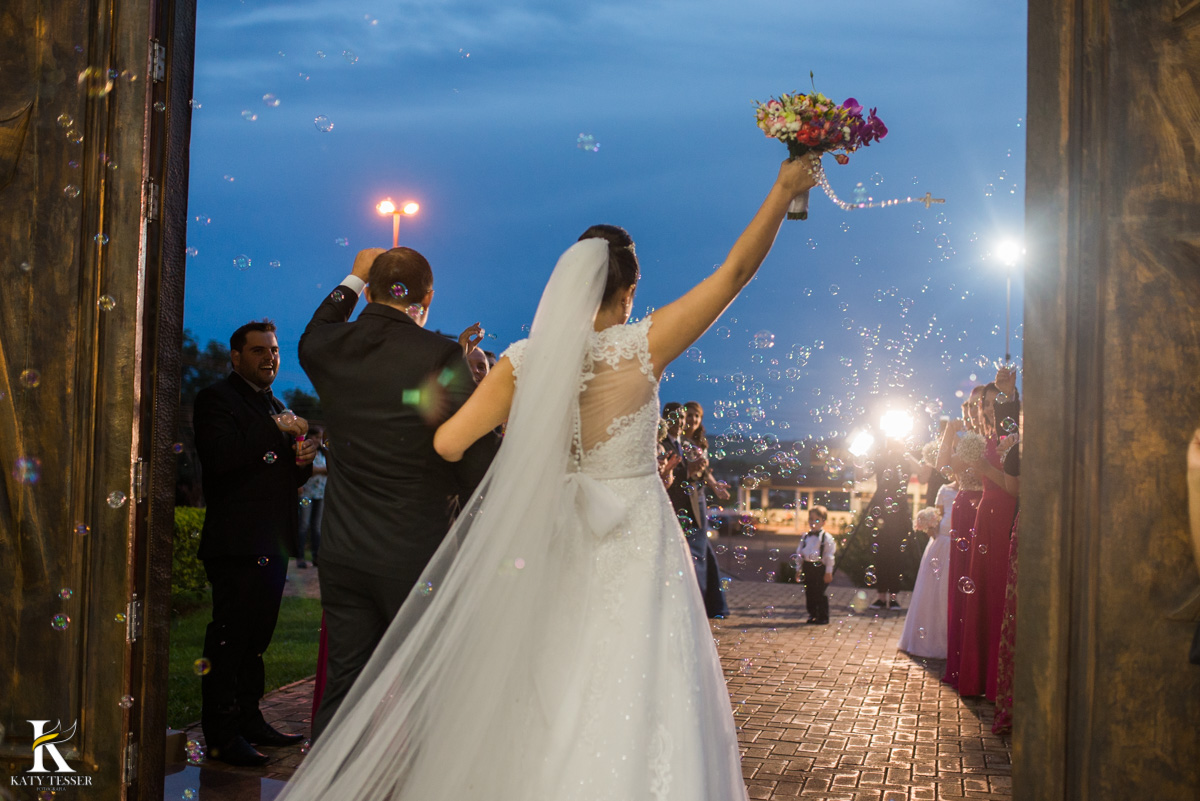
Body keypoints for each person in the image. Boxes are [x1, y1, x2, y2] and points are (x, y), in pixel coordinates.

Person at [275, 155, 819, 800]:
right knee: (633, 685)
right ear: (629, 293)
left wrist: (532, 441)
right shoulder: (644, 347)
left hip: (550, 535)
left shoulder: (520, 362)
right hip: (632, 541)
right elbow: (734, 273)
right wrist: (783, 190)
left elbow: (448, 441)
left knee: (542, 680)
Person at [297, 247, 501, 741]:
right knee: (430, 689)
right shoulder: (437, 354)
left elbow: (317, 327)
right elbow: (477, 461)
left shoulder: (329, 347)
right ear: (427, 297)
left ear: (369, 290)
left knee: (343, 690)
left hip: (343, 552)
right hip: (415, 555)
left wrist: (351, 276)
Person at [193, 320, 318, 766]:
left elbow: (283, 473)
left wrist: (303, 459)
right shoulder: (216, 400)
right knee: (229, 639)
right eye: (260, 349)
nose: (271, 357)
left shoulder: (276, 405)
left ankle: (250, 719)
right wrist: (277, 428)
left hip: (273, 540)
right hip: (237, 541)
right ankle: (222, 736)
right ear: (236, 357)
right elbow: (223, 458)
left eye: (276, 350)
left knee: (257, 640)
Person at [953, 381, 1018, 699]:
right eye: (985, 405)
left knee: (998, 596)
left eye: (995, 404)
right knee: (983, 594)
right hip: (985, 518)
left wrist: (984, 468)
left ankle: (997, 681)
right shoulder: (986, 439)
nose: (989, 409)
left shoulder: (1008, 439)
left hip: (1005, 514)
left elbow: (1015, 487)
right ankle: (980, 678)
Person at [938, 386, 986, 687]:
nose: (970, 414)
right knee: (963, 585)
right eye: (967, 409)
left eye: (975, 408)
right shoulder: (968, 440)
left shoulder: (990, 438)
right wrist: (950, 431)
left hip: (983, 511)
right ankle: (962, 663)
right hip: (965, 509)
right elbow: (944, 465)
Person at [898, 499, 952, 658]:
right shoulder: (944, 490)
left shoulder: (972, 488)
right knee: (932, 592)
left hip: (957, 544)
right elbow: (939, 517)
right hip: (941, 546)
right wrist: (929, 525)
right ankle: (930, 639)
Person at [795, 505, 836, 624]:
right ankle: (812, 614)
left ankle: (823, 616)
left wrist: (828, 572)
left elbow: (829, 556)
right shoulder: (805, 536)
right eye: (811, 519)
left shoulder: (826, 538)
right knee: (809, 593)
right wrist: (798, 569)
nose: (813, 522)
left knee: (820, 593)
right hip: (807, 567)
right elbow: (799, 554)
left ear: (824, 522)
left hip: (820, 568)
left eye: (816, 520)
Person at [295, 426, 327, 568]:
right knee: (304, 524)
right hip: (307, 493)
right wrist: (323, 470)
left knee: (317, 527)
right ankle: (300, 557)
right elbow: (310, 470)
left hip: (320, 494)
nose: (319, 441)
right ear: (311, 437)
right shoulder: (306, 451)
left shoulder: (322, 454)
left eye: (320, 438)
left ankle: (316, 557)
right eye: (317, 437)